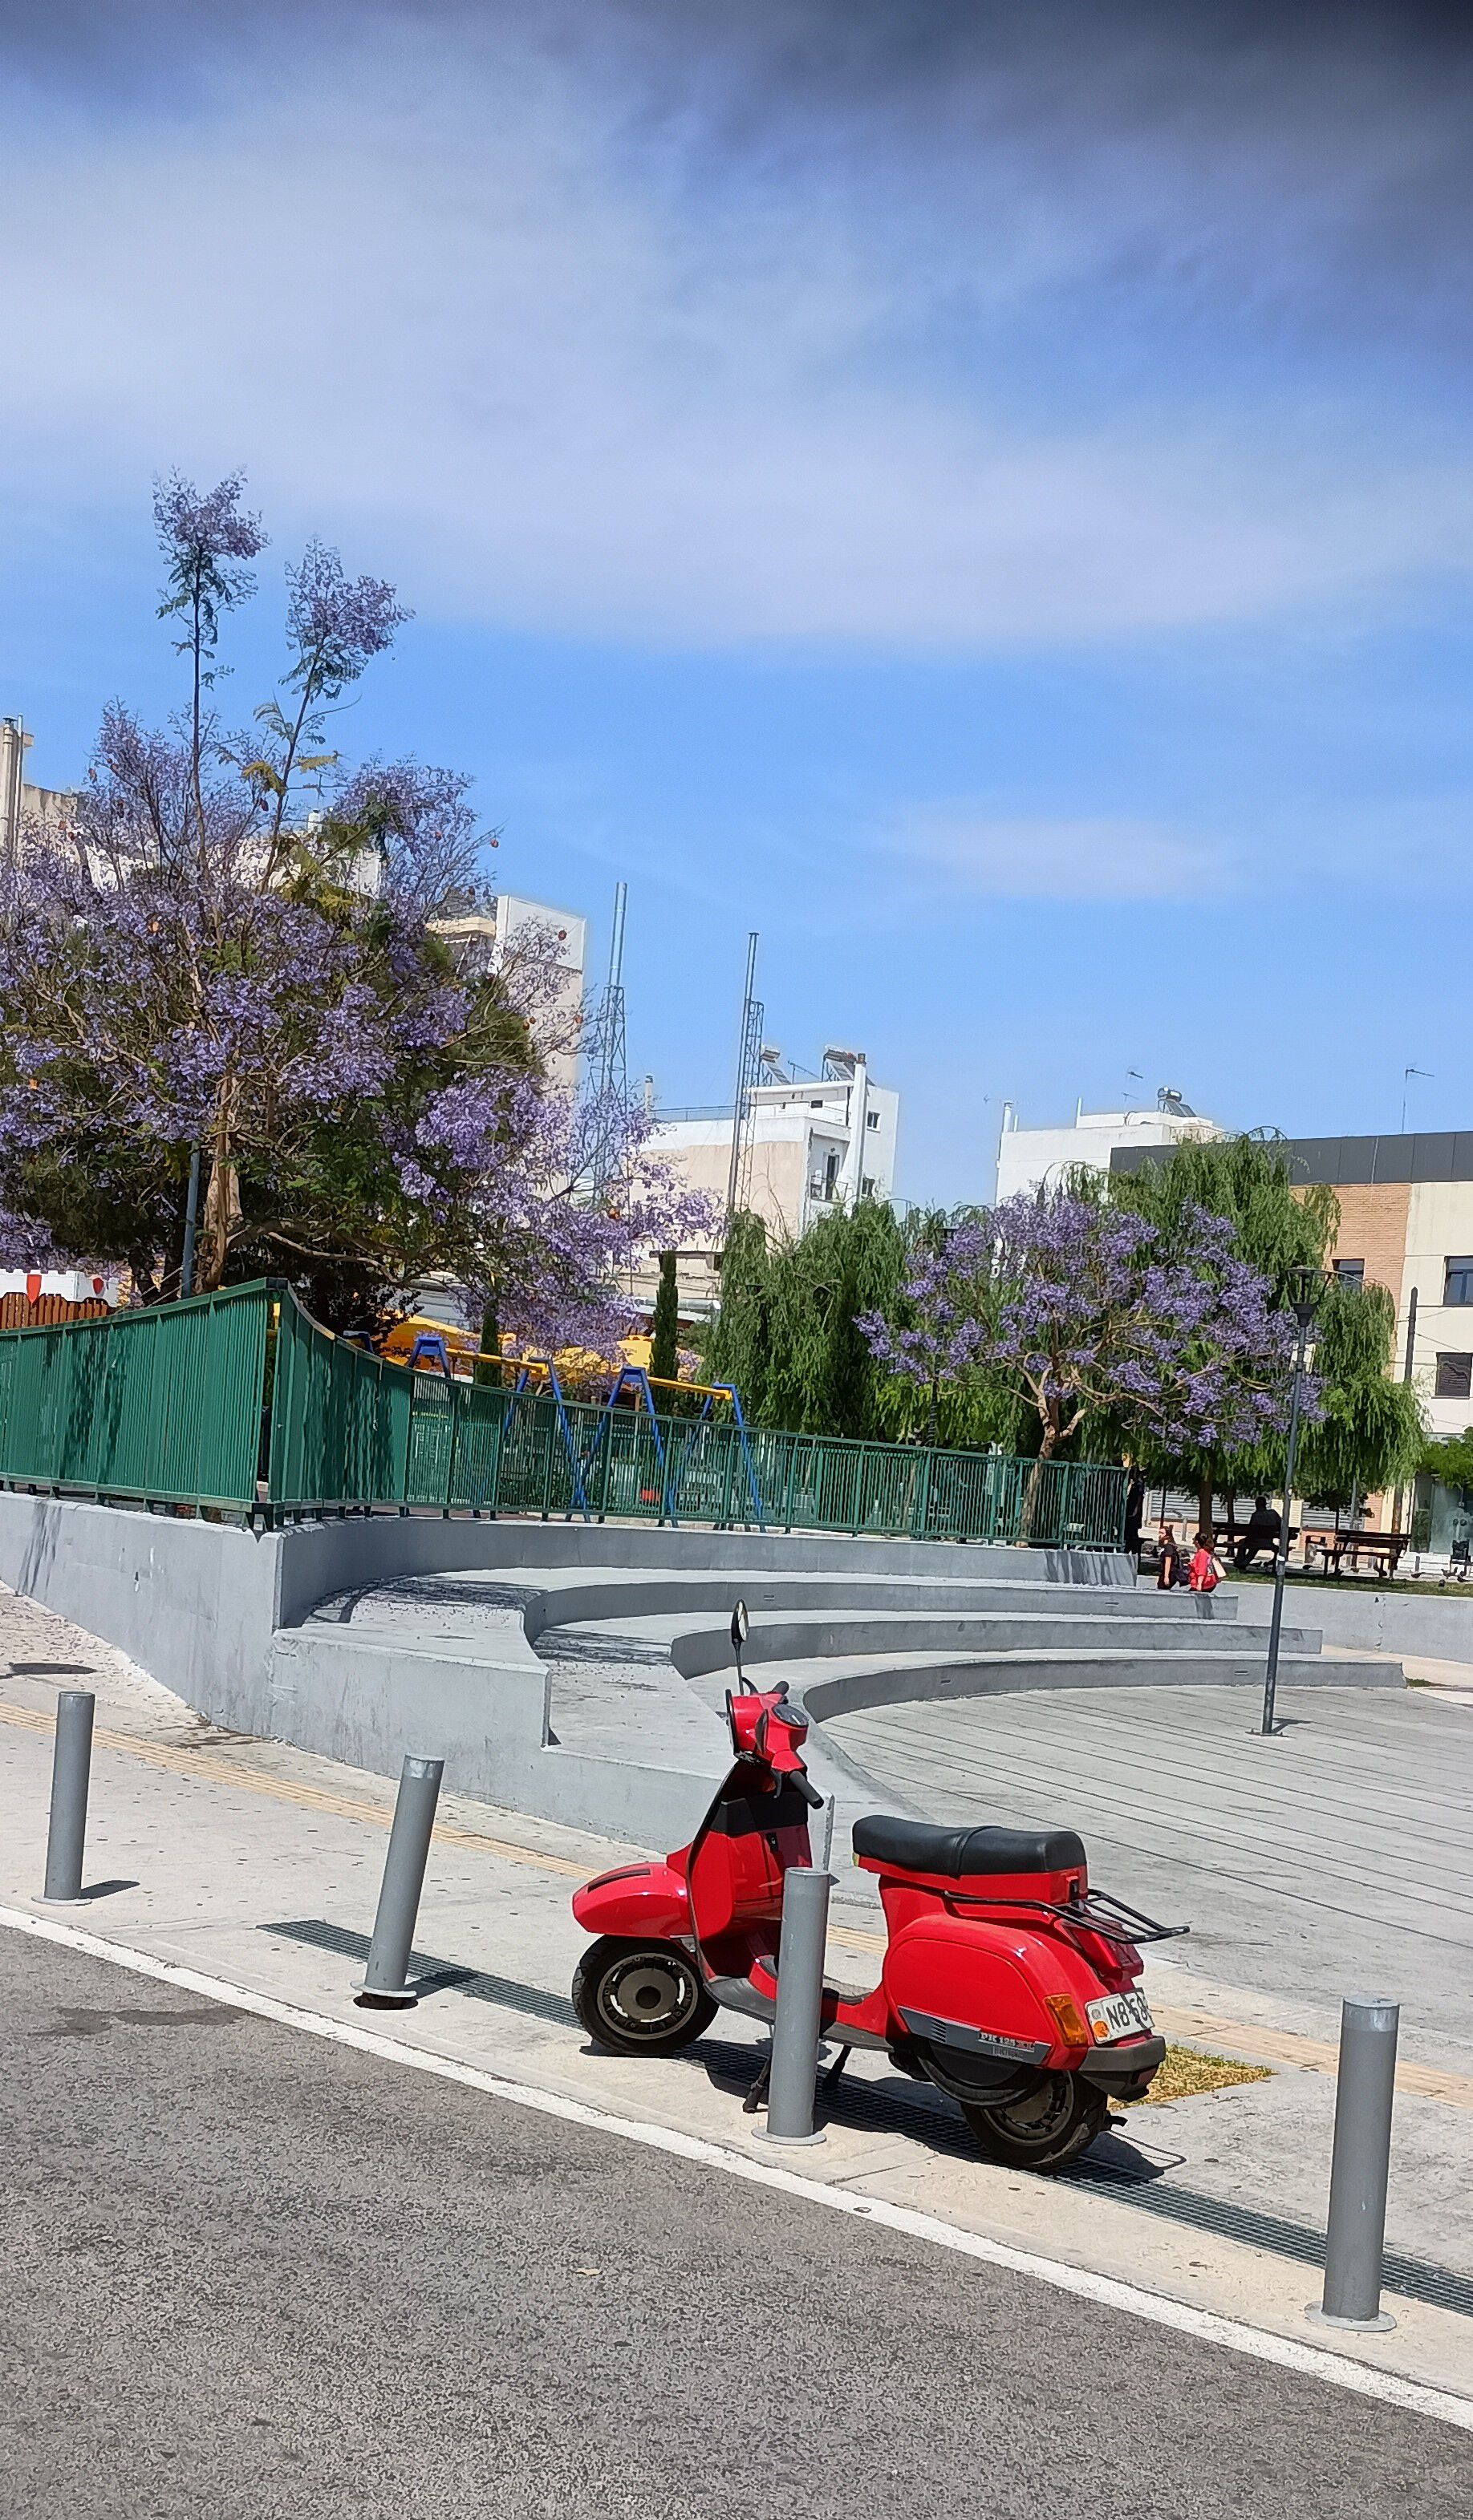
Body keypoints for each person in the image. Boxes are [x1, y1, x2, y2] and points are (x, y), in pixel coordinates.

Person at [1234, 1496, 1281, 1571]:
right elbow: (1280, 1525)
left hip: (1255, 1541)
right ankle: (1242, 1563)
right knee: (1253, 1546)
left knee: (1243, 1544)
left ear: (1256, 1505)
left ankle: (1240, 1562)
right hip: (1268, 1542)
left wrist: (1245, 1540)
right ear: (1265, 1504)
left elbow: (1251, 1530)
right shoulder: (1273, 1513)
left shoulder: (1256, 1515)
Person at [1123, 1469, 1147, 1566]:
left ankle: (1132, 1553)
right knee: (1130, 1536)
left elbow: (1139, 1500)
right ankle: (1129, 1552)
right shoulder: (1133, 1484)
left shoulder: (1138, 1485)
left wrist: (1134, 1513)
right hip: (1130, 1514)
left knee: (1132, 1535)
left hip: (1133, 1515)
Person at [1189, 1528, 1224, 1592]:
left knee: (1188, 1601)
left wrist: (1199, 1584)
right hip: (1210, 1583)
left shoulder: (1201, 1553)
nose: (1193, 1542)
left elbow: (1202, 1570)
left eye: (1193, 1539)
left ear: (1197, 1542)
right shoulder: (1208, 1552)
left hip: (1203, 1584)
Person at [1155, 1523, 1183, 1589]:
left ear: (1167, 1535)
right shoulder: (1165, 1546)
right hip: (1166, 1573)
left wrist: (1166, 1577)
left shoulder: (1168, 1547)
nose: (1159, 1535)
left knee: (1162, 1591)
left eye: (1162, 1533)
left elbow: (1168, 1562)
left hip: (1170, 1574)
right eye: (1159, 1533)